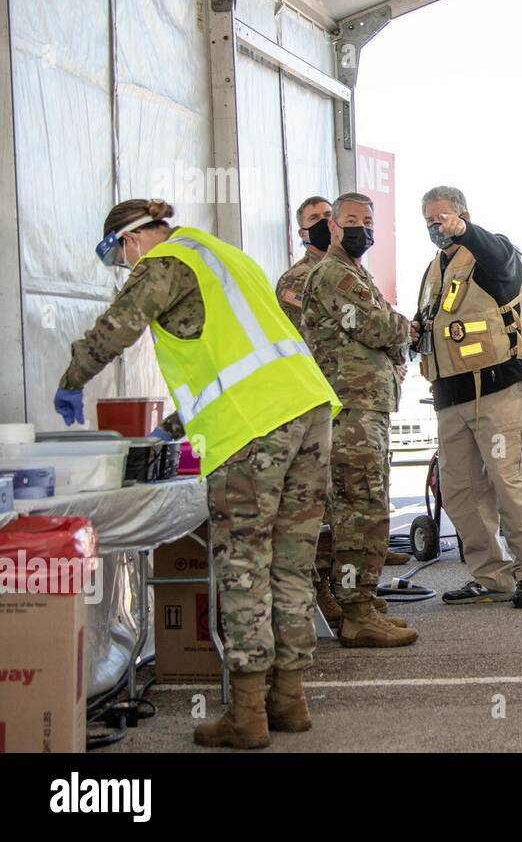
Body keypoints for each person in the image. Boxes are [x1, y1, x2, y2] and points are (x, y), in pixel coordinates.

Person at [55, 198, 339, 749]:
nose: (125, 267)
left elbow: (118, 326)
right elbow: (240, 355)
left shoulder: (164, 262)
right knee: (291, 563)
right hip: (308, 411)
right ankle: (291, 700)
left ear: (133, 238)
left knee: (243, 564)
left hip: (254, 428)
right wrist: (181, 424)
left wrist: (72, 377)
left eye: (120, 255)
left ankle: (248, 715)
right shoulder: (225, 257)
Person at [416, 185, 522, 608]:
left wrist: (468, 231)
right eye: (430, 220)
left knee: (509, 482)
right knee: (458, 491)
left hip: (497, 389)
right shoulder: (434, 270)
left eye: (444, 218)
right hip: (450, 395)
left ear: (463, 215)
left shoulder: (493, 256)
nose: (437, 227)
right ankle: (491, 575)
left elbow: (500, 255)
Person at [299, 192, 418, 647]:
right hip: (349, 409)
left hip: (366, 407)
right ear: (332, 228)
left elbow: (382, 323)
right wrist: (397, 328)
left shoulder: (355, 272)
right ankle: (355, 612)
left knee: (367, 508)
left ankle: (363, 604)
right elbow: (379, 326)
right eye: (351, 220)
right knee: (356, 511)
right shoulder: (332, 274)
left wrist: (392, 327)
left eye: (368, 220)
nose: (361, 228)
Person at [277, 195, 343, 625]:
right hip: (316, 402)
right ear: (302, 233)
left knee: (345, 501)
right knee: (320, 503)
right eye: (314, 220)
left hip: (347, 399)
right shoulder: (300, 278)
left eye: (328, 217)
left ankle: (342, 585)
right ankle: (321, 594)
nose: (324, 224)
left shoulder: (343, 271)